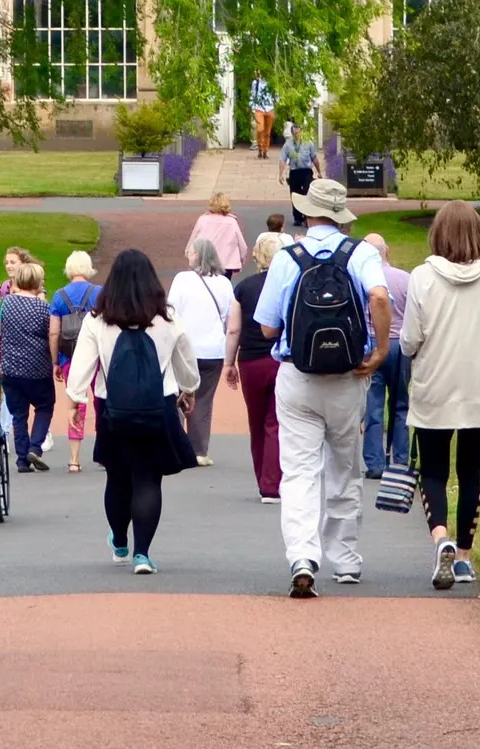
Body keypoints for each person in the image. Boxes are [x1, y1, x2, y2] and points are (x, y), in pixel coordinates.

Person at [252, 178, 393, 597]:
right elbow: (380, 298)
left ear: (308, 212)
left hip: (298, 376)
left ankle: (302, 556)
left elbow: (266, 326)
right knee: (344, 467)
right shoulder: (362, 253)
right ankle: (345, 559)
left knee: (298, 471)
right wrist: (381, 348)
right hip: (349, 376)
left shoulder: (287, 257)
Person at [65, 248, 201, 576]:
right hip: (158, 404)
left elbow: (81, 367)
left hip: (112, 407)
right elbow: (187, 364)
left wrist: (74, 399)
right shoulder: (166, 317)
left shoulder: (98, 319)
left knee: (117, 474)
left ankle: (121, 541)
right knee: (148, 477)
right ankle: (143, 553)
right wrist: (189, 387)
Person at [404, 201, 480, 591]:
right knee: (471, 473)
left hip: (435, 386)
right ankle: (463, 556)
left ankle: (440, 536)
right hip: (479, 387)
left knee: (432, 471)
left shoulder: (422, 277)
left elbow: (412, 337)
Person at [224, 230, 284, 501]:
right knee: (276, 422)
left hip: (250, 361)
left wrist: (229, 363)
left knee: (256, 422)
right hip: (280, 359)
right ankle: (273, 482)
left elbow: (233, 330)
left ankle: (262, 477)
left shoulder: (244, 287)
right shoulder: (286, 285)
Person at [166, 235, 234, 464]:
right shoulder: (224, 283)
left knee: (176, 395)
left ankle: (177, 447)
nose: (188, 254)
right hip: (213, 350)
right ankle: (199, 450)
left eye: (191, 251)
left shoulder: (182, 280)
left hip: (186, 349)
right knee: (204, 400)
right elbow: (229, 317)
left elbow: (171, 313)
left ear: (198, 255)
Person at [0, 256, 54, 473]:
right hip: (38, 368)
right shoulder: (44, 309)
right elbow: (51, 334)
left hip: (11, 369)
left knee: (19, 414)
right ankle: (35, 446)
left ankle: (22, 458)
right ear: (37, 283)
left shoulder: (4, 304)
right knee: (44, 406)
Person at [361, 231, 413, 480]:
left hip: (373, 343)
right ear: (387, 251)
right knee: (401, 403)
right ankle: (400, 460)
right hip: (401, 345)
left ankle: (375, 462)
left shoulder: (364, 280)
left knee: (373, 405)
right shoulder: (406, 279)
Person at [48, 251, 102, 472]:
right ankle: (103, 452)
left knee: (76, 403)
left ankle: (74, 458)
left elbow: (53, 332)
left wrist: (55, 362)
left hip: (69, 355)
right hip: (97, 355)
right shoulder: (99, 293)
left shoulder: (60, 296)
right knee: (101, 401)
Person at [186, 192, 246, 278]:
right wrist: (241, 259)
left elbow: (193, 241)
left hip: (204, 262)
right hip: (226, 264)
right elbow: (242, 246)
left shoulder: (202, 220)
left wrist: (189, 254)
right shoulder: (231, 222)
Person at [280, 121, 320, 230]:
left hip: (306, 171)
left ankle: (307, 217)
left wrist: (319, 171)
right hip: (294, 172)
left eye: (298, 132)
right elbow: (283, 160)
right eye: (295, 133)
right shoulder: (288, 145)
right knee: (295, 195)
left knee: (307, 193)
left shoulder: (308, 143)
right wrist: (280, 174)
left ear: (301, 132)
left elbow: (314, 158)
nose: (297, 135)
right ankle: (297, 217)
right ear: (292, 134)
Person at [248, 75, 276, 159]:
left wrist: (275, 103)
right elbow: (252, 95)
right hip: (259, 108)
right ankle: (260, 148)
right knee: (260, 129)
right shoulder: (256, 82)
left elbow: (276, 93)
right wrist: (252, 107)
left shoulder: (272, 81)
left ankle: (265, 151)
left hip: (270, 108)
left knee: (267, 132)